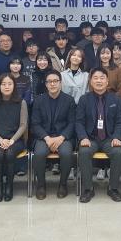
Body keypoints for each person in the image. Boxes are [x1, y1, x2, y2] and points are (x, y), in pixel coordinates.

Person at [76, 68, 121, 203]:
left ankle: (113, 188)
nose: (99, 81)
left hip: (109, 138)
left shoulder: (115, 99)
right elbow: (79, 122)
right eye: (96, 78)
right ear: (91, 81)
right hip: (90, 138)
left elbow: (120, 122)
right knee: (84, 152)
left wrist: (117, 137)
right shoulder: (84, 99)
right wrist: (83, 137)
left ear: (107, 81)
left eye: (102, 78)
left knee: (118, 152)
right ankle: (88, 189)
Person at [30, 70, 76, 199]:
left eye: (55, 81)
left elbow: (72, 123)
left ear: (60, 83)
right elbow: (35, 123)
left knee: (66, 153)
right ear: (46, 84)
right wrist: (47, 138)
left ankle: (63, 184)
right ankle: (41, 185)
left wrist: (61, 137)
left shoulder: (69, 100)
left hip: (63, 137)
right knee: (39, 153)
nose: (52, 84)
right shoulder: (39, 100)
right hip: (44, 137)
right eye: (49, 81)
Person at [0, 73, 28, 202]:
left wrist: (11, 141)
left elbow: (23, 126)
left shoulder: (21, 102)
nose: (6, 86)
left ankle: (9, 186)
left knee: (10, 153)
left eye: (9, 84)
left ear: (14, 85)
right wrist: (0, 140)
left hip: (16, 140)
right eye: (3, 84)